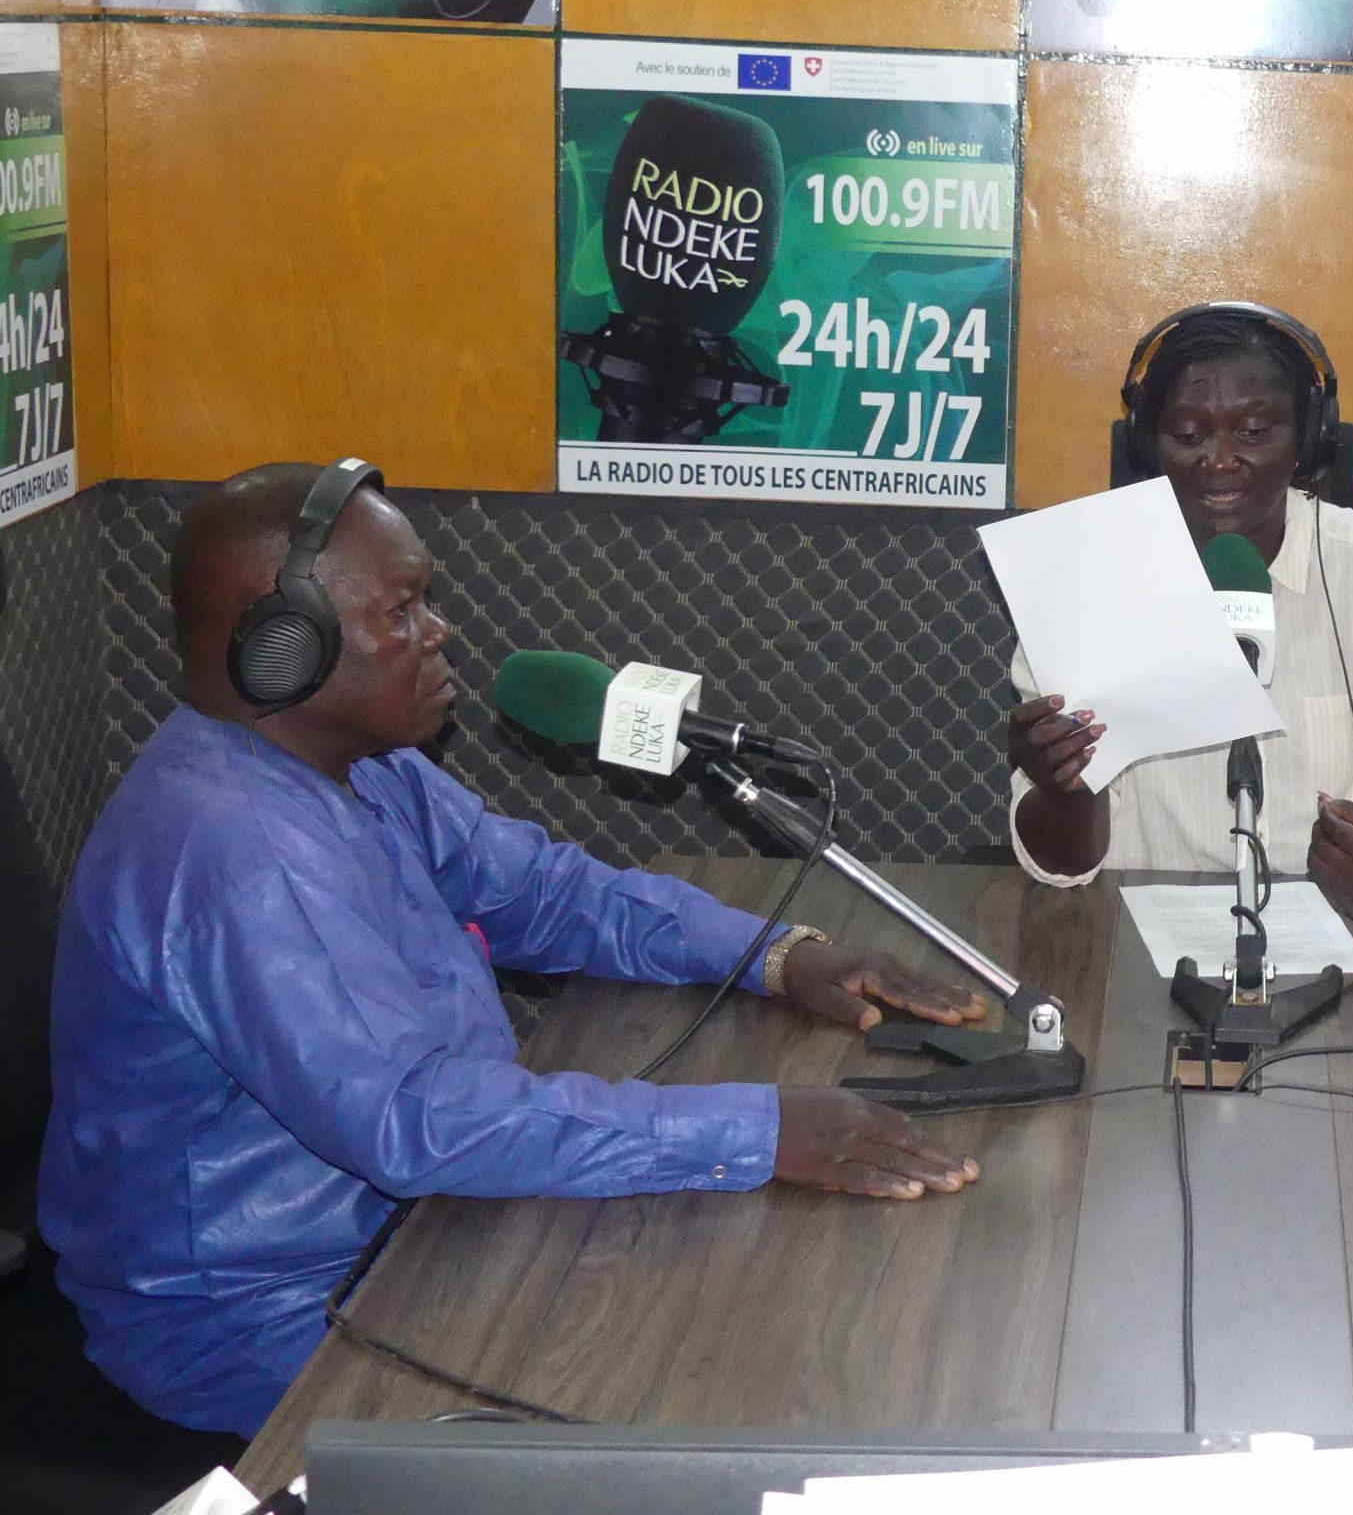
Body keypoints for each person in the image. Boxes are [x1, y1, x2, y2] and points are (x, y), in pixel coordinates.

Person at [41, 461, 988, 1438]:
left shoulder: (360, 770)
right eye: (402, 610)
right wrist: (756, 1131)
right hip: (267, 1318)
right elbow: (411, 1119)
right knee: (691, 1414)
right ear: (286, 648)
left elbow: (542, 893)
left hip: (422, 1231)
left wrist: (773, 954)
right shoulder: (232, 851)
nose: (439, 633)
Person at [1006, 304, 1353, 908]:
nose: (1220, 459)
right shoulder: (1084, 585)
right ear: (1148, 445)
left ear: (1308, 438)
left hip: (1339, 928)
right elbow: (1063, 865)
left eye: (1253, 432)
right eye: (1188, 436)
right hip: (1136, 929)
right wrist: (1064, 790)